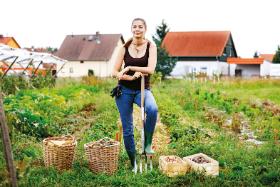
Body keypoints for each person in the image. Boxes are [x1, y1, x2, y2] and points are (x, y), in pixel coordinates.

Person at [112, 18, 158, 169]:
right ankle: (134, 162)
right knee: (127, 129)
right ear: (131, 29)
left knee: (152, 109)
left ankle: (148, 146)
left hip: (142, 89)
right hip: (124, 90)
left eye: (140, 27)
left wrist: (130, 66)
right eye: (134, 27)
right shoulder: (124, 48)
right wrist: (127, 76)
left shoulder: (151, 46)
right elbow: (114, 71)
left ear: (145, 29)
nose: (137, 29)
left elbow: (150, 69)